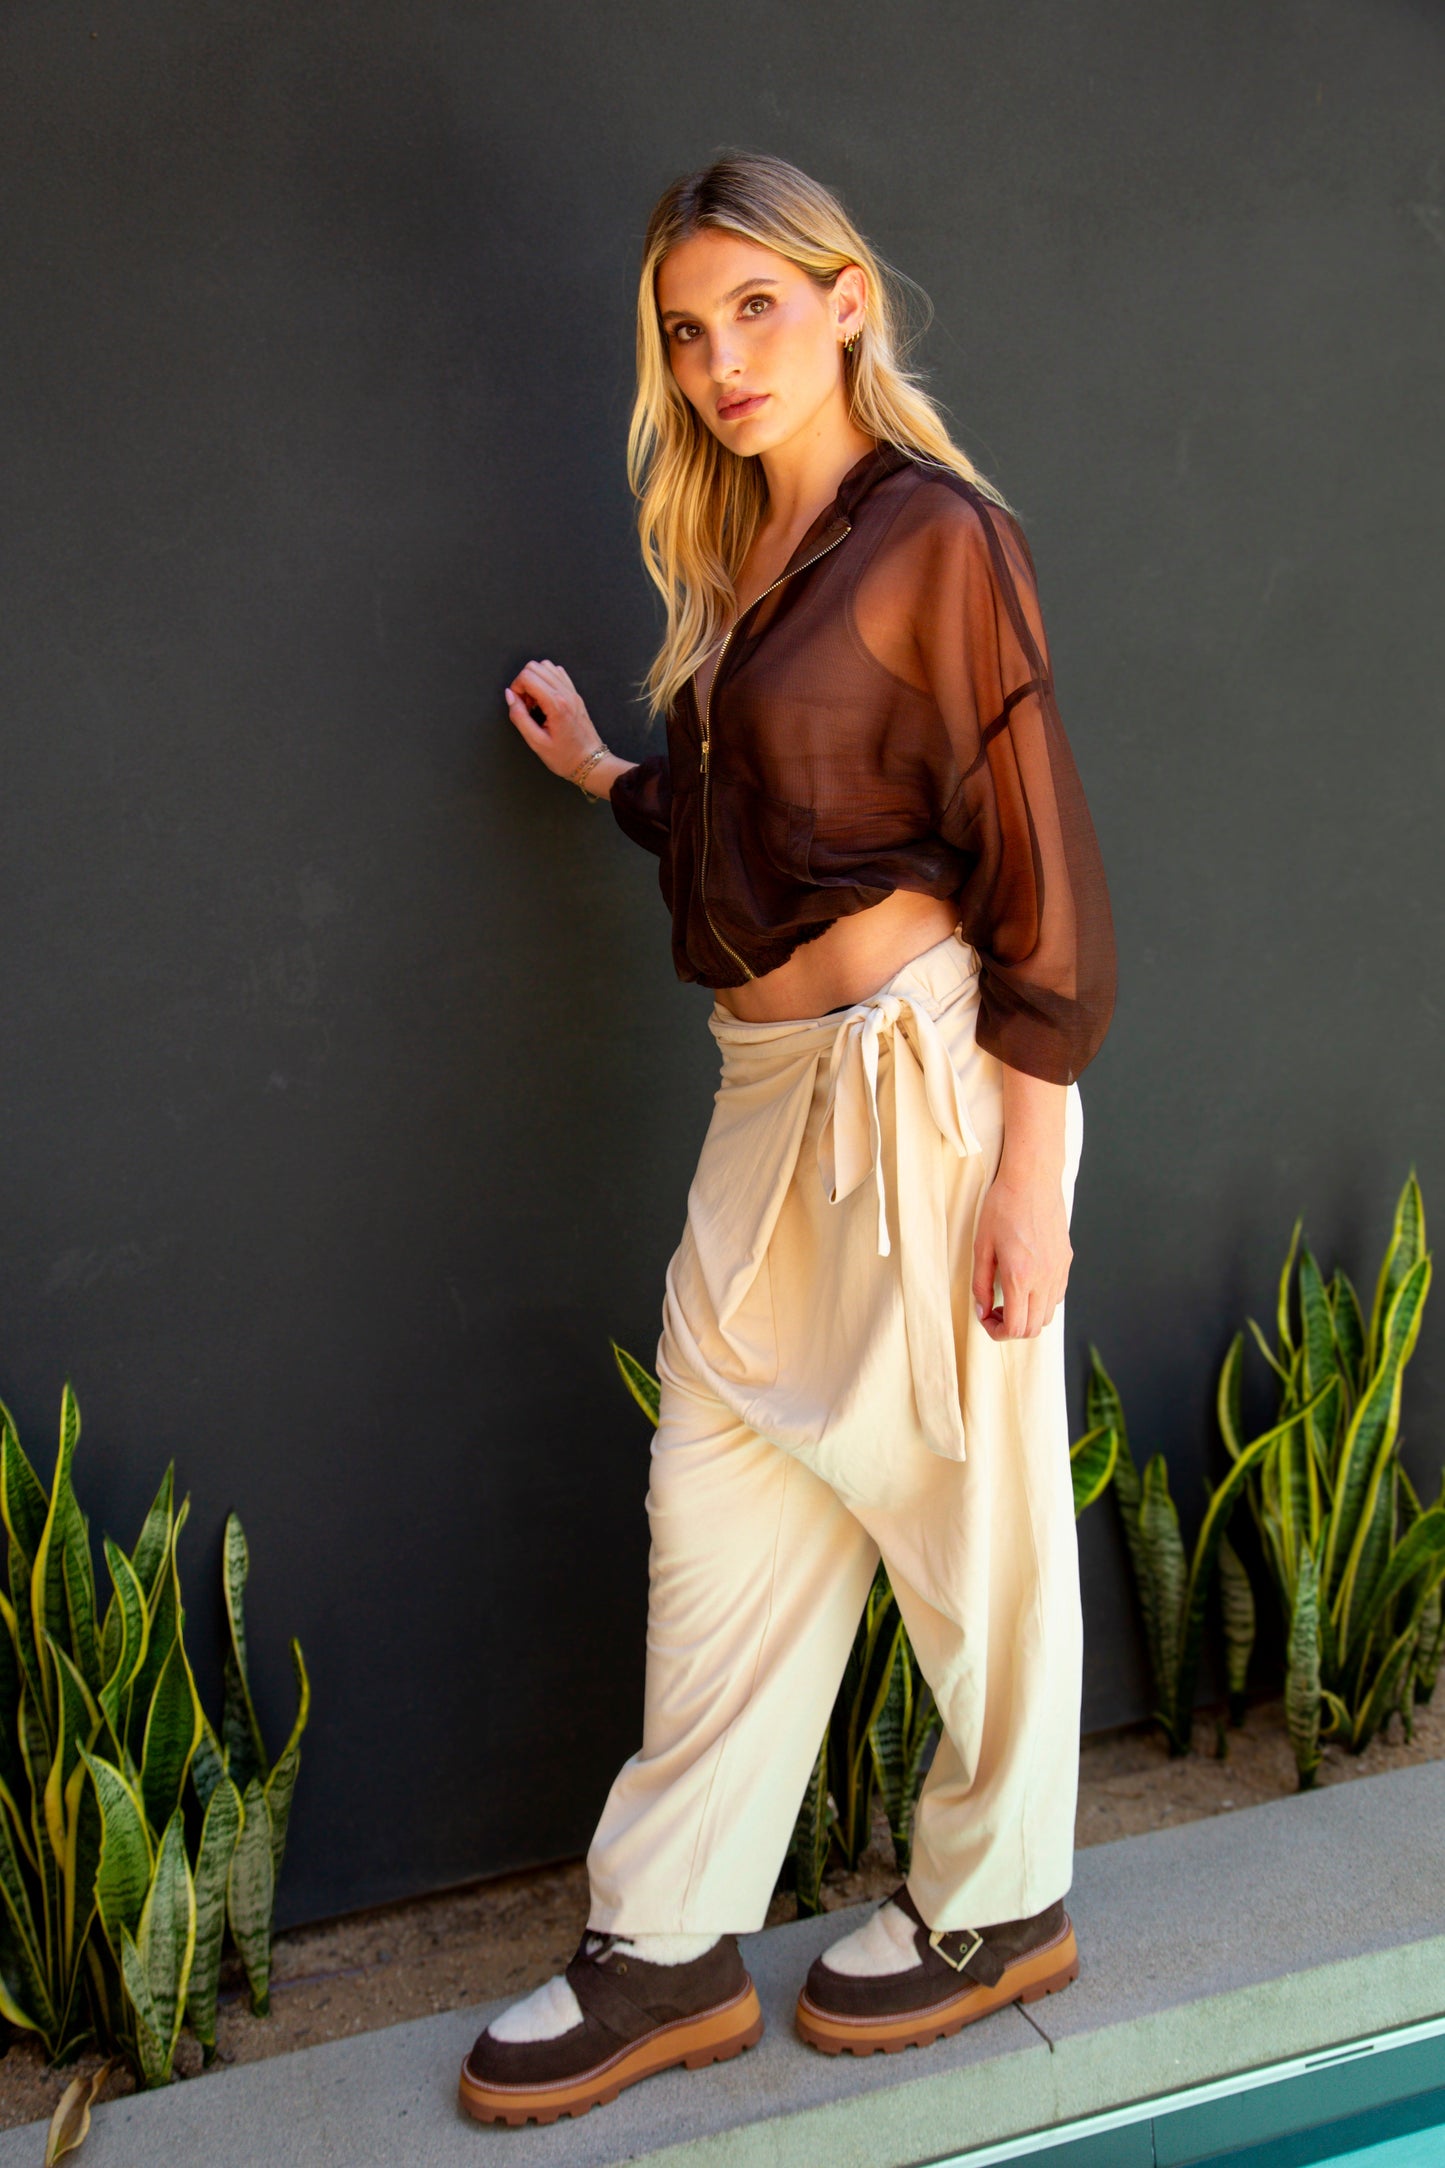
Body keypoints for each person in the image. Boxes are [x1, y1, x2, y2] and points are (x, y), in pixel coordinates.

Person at [459, 151, 1116, 2129]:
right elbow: (768, 830)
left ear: (843, 302)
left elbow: (1038, 860)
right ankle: (665, 1944)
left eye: (755, 307)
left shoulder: (937, 536)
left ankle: (998, 1904)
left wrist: (1030, 1172)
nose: (720, 360)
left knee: (971, 1511)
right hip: (764, 1099)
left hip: (927, 1078)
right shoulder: (744, 555)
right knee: (717, 1492)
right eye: (686, 331)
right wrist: (611, 774)